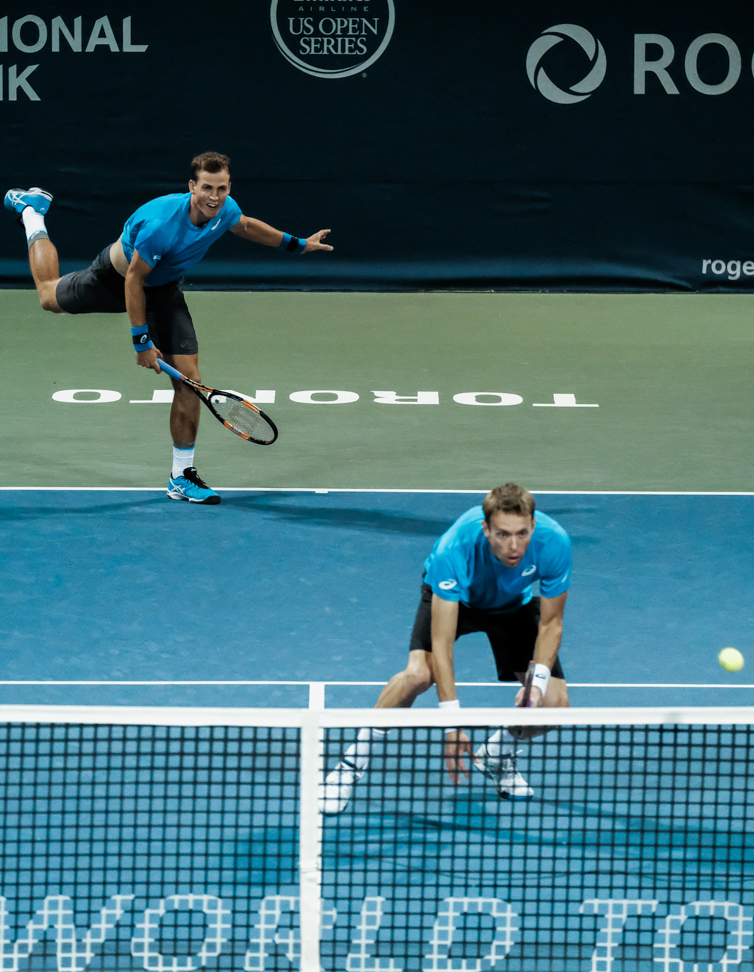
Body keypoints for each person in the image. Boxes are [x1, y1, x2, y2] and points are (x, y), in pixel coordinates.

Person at [4, 153, 333, 504]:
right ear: (192, 186)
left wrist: (299, 244)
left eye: (221, 188)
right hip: (113, 281)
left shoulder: (226, 209)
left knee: (189, 381)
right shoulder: (160, 225)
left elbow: (247, 226)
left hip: (163, 291)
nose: (214, 197)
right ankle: (33, 212)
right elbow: (133, 281)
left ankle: (181, 476)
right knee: (48, 297)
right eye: (206, 188)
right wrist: (141, 342)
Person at [319, 482, 572, 814]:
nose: (514, 546)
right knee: (417, 675)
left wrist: (535, 687)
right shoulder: (454, 549)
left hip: (513, 606)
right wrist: (453, 725)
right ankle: (350, 765)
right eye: (502, 534)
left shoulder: (554, 542)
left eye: (522, 534)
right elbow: (441, 644)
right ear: (485, 529)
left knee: (554, 705)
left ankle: (497, 752)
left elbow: (551, 625)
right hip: (458, 601)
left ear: (533, 526)